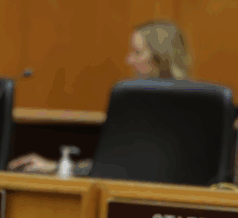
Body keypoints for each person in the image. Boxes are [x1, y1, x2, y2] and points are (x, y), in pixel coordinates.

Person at [8, 20, 193, 173]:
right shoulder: (138, 102)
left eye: (137, 52)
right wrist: (57, 166)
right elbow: (114, 164)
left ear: (161, 57)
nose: (129, 60)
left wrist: (55, 167)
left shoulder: (142, 105)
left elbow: (123, 168)